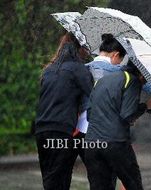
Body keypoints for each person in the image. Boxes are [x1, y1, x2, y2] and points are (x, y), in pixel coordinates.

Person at [35, 32, 93, 190]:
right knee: (60, 179)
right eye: (85, 48)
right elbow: (94, 97)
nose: (87, 51)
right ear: (79, 48)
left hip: (41, 129)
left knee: (49, 177)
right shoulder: (78, 69)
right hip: (61, 130)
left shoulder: (49, 70)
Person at [84, 63, 151, 190]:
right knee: (133, 184)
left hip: (92, 143)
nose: (146, 82)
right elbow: (127, 115)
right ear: (141, 73)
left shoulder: (102, 81)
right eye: (147, 76)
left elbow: (90, 114)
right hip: (115, 143)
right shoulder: (132, 80)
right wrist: (146, 106)